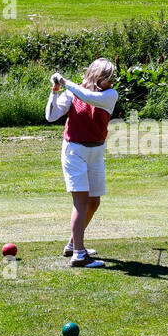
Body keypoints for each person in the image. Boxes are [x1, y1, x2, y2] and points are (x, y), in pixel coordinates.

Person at [46, 58, 118, 267]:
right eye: (109, 78)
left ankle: (72, 244)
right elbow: (51, 116)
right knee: (81, 200)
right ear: (98, 77)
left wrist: (66, 82)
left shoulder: (109, 95)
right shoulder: (72, 92)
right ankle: (79, 254)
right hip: (74, 150)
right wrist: (55, 89)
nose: (112, 82)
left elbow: (89, 97)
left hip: (96, 152)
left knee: (94, 201)